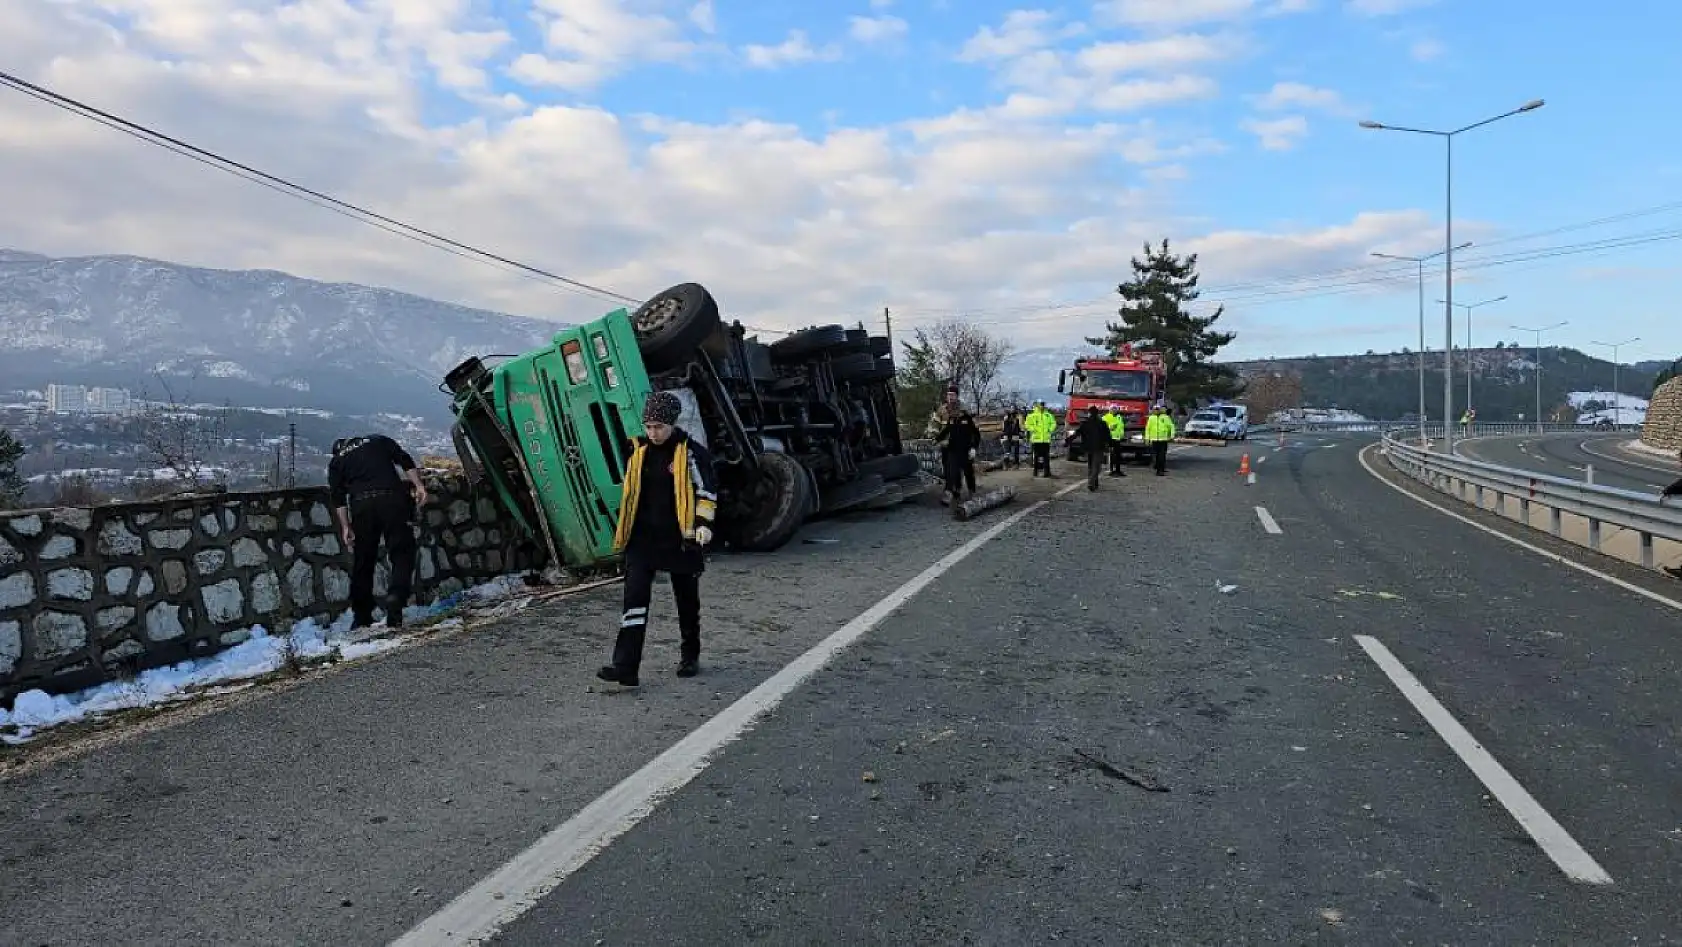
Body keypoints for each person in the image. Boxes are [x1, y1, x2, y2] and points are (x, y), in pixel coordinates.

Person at [598, 391, 720, 687]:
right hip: (642, 540)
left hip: (681, 540)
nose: (653, 433)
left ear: (672, 424)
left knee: (687, 602)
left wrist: (703, 524)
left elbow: (707, 493)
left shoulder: (691, 452)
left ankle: (690, 655)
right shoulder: (637, 451)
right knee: (634, 600)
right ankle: (625, 666)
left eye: (659, 427)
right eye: (648, 426)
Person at [328, 434, 427, 628]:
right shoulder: (377, 440)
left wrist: (346, 526)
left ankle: (361, 615)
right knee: (402, 552)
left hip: (361, 506)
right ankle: (396, 598)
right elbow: (404, 460)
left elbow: (337, 497)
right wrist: (419, 485)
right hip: (392, 499)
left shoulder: (337, 461)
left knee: (363, 561)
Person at [936, 406, 981, 504]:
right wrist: (938, 440)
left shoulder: (968, 419)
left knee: (968, 472)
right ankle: (949, 494)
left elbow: (976, 434)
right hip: (953, 450)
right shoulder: (951, 419)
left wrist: (974, 448)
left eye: (951, 411)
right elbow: (945, 432)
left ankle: (971, 492)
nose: (950, 413)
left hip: (966, 450)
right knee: (951, 471)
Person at [1077, 406, 1112, 491]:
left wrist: (1067, 441)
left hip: (1088, 448)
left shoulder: (1085, 423)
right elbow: (1108, 436)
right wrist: (1109, 446)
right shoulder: (1103, 423)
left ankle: (1094, 483)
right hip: (1098, 448)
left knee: (1090, 466)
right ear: (1097, 414)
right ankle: (1091, 483)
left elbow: (1076, 433)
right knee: (1096, 467)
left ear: (1089, 413)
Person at [1024, 400, 1058, 478]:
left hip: (1046, 439)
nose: (1042, 406)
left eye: (1043, 405)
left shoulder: (1048, 415)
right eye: (1040, 405)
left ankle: (1047, 472)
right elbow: (1027, 424)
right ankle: (1036, 472)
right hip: (1036, 439)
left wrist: (1050, 429)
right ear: (1037, 406)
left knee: (1046, 457)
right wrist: (1033, 429)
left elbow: (1053, 423)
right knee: (1036, 457)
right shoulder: (1032, 415)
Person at [1144, 402, 1176, 476]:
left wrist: (1172, 435)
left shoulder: (1165, 417)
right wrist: (1147, 439)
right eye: (1155, 409)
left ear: (1160, 410)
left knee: (1162, 455)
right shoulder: (1151, 418)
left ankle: (1160, 470)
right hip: (1154, 439)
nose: (1156, 410)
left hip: (1163, 439)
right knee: (1156, 455)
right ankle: (1158, 468)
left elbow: (1171, 426)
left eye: (1158, 409)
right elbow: (1148, 429)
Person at [1102, 404, 1127, 477]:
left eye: (1115, 409)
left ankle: (1118, 470)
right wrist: (1110, 427)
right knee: (1111, 455)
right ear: (1109, 410)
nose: (1114, 410)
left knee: (1118, 455)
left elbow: (1121, 427)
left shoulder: (1119, 417)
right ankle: (1111, 470)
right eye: (1112, 409)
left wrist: (1122, 435)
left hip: (1118, 439)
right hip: (1110, 438)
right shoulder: (1105, 417)